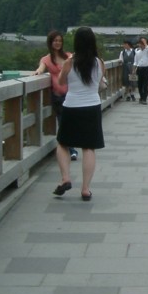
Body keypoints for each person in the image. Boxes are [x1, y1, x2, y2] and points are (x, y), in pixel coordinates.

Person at [54, 27, 105, 201]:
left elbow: (61, 82)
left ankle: (66, 178)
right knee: (89, 147)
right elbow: (99, 84)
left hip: (72, 105)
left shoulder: (70, 61)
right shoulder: (99, 62)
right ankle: (85, 189)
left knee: (63, 143)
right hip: (92, 106)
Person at [34, 31, 78, 162]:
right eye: (55, 41)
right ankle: (70, 149)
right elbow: (41, 68)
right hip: (58, 96)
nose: (57, 43)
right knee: (62, 122)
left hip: (71, 94)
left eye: (59, 40)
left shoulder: (69, 56)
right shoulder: (46, 59)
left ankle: (67, 147)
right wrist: (38, 72)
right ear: (50, 42)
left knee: (71, 122)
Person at [134, 36, 148, 104]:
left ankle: (144, 98)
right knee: (139, 84)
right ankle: (141, 97)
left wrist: (145, 43)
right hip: (139, 68)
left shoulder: (147, 50)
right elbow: (135, 61)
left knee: (145, 84)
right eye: (140, 43)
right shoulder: (137, 52)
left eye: (142, 43)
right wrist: (134, 69)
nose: (141, 45)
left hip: (145, 68)